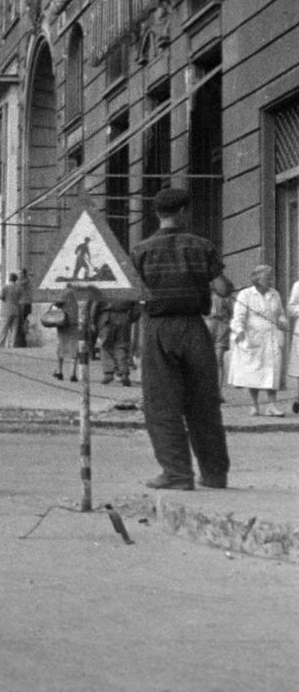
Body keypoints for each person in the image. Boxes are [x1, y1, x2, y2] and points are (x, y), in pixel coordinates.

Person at [129, 186, 232, 491]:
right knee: (204, 405)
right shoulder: (201, 246)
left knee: (161, 405)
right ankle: (214, 475)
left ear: (157, 213)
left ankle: (177, 474)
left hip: (157, 328)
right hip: (194, 328)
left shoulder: (141, 251)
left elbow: (132, 296)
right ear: (184, 212)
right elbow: (223, 288)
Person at [227, 265, 287, 417]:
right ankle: (254, 405)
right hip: (253, 338)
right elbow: (238, 318)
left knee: (272, 371)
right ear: (257, 279)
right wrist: (239, 332)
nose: (270, 280)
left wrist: (282, 321)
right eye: (267, 277)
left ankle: (271, 405)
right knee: (254, 373)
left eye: (271, 277)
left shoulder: (275, 294)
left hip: (272, 337)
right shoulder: (245, 294)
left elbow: (280, 314)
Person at [96, 299, 137, 385]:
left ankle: (109, 372)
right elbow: (137, 307)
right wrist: (130, 319)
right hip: (124, 318)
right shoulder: (128, 287)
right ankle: (124, 373)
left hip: (106, 318)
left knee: (105, 346)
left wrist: (93, 321)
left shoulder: (106, 286)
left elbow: (95, 305)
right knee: (121, 347)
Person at [0, 273, 25, 347]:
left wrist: (5, 299)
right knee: (14, 330)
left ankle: (0, 346)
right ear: (16, 280)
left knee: (3, 329)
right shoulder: (18, 288)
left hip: (6, 311)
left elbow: (0, 296)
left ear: (9, 278)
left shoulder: (5, 287)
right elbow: (20, 298)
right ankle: (12, 346)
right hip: (16, 311)